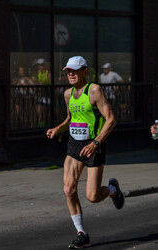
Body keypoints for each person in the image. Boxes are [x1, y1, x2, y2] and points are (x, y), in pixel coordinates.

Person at [46, 56, 125, 249]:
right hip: (74, 145)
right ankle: (82, 233)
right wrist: (58, 128)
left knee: (93, 196)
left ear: (84, 71)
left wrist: (96, 143)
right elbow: (70, 119)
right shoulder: (67, 94)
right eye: (68, 71)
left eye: (74, 71)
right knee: (68, 189)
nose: (70, 74)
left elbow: (110, 120)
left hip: (93, 146)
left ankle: (113, 190)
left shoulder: (94, 90)